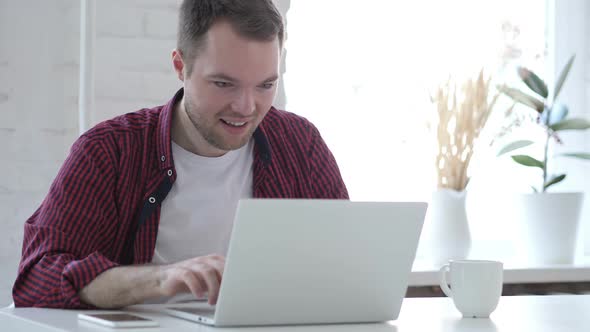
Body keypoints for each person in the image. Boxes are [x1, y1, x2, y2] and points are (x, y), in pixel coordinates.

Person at [12, 0, 348, 309]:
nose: (247, 107)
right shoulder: (108, 151)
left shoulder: (300, 143)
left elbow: (347, 263)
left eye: (265, 85)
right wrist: (159, 279)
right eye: (223, 84)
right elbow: (37, 278)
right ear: (180, 66)